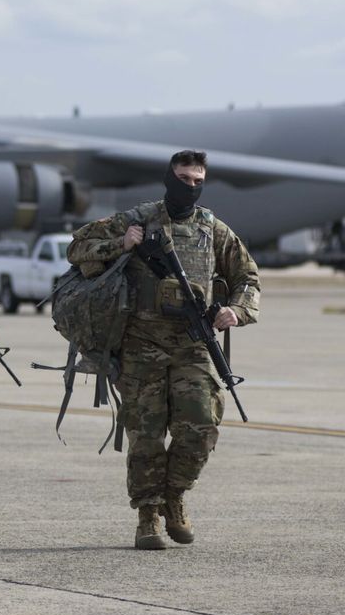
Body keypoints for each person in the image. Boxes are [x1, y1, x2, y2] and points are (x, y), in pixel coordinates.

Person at [67, 150, 260, 550]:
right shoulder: (137, 219)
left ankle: (175, 497)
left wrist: (236, 311)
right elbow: (77, 249)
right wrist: (121, 243)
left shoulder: (213, 230)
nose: (190, 186)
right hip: (142, 346)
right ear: (168, 178)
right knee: (146, 436)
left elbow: (247, 277)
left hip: (193, 344)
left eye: (197, 180)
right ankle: (148, 515)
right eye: (183, 178)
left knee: (202, 427)